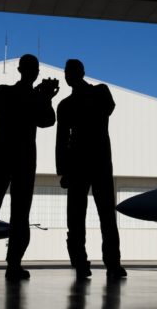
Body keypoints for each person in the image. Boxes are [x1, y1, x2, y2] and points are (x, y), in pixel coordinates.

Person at [0, 54, 58, 282]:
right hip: (20, 157)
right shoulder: (6, 92)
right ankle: (11, 265)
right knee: (14, 211)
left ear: (20, 69)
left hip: (4, 154)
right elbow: (44, 119)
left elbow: (48, 120)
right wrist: (43, 96)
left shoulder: (6, 92)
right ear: (31, 71)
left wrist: (44, 97)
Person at [56, 59, 127, 279]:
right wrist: (63, 171)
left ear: (79, 73)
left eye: (70, 72)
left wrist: (63, 171)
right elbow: (61, 140)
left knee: (92, 216)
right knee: (87, 217)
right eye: (67, 73)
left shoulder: (89, 96)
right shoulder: (72, 103)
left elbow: (62, 141)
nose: (68, 76)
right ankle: (97, 263)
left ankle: (100, 263)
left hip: (91, 164)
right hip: (93, 164)